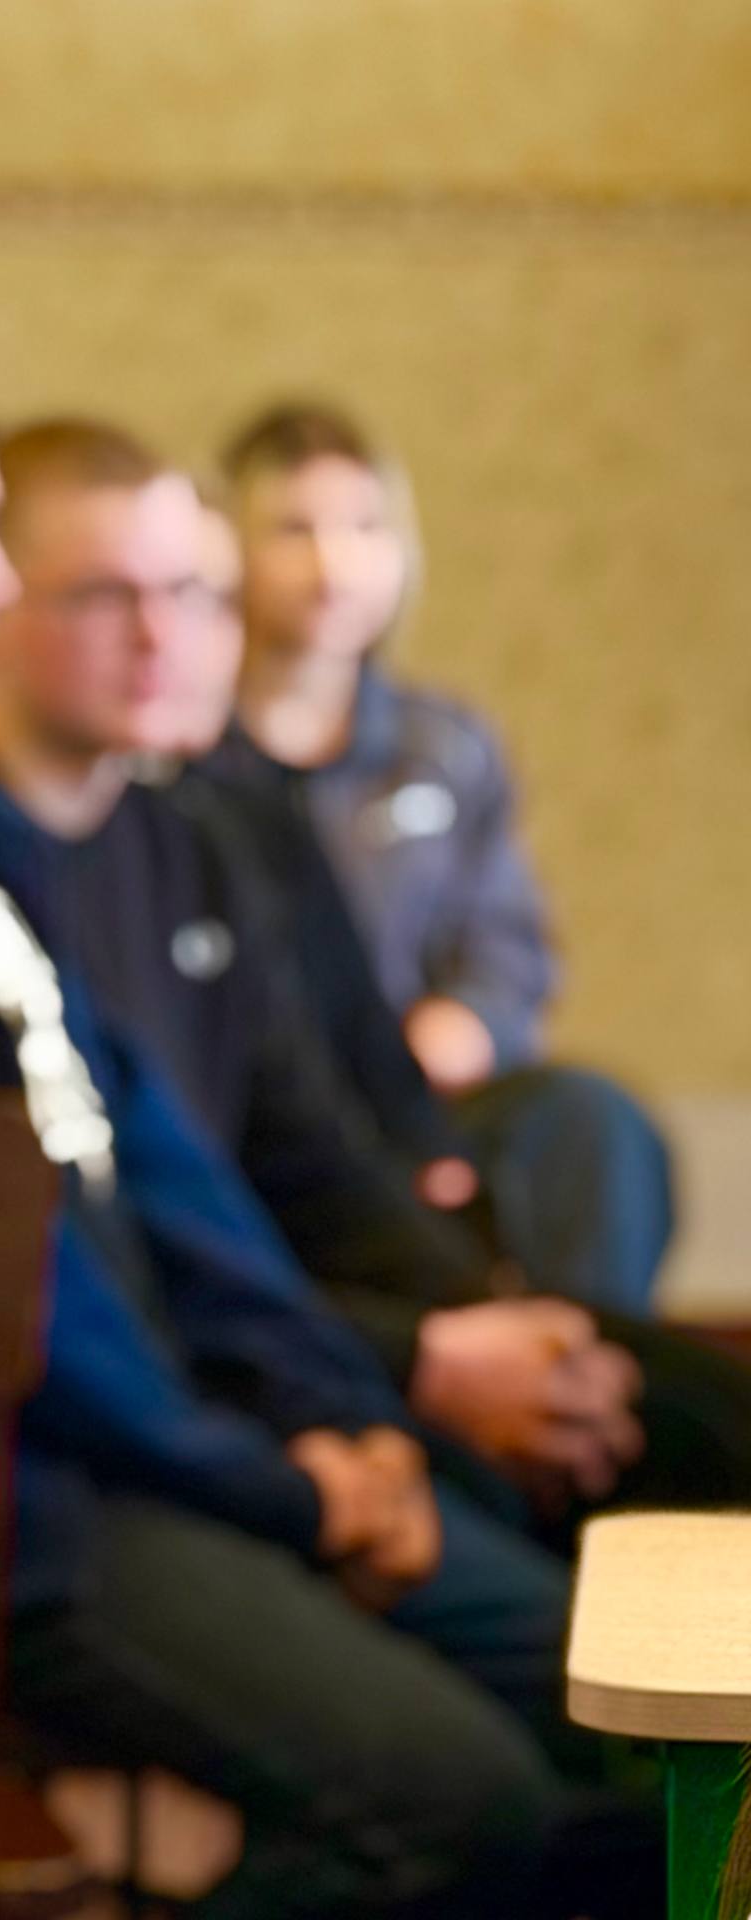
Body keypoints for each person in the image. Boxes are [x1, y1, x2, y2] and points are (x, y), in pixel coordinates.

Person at [0, 344, 657, 1919]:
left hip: (136, 1450)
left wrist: (341, 1421)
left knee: (611, 1700)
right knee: (479, 1816)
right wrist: (285, 1489)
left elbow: (145, 1155)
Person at [0, 415, 751, 1537]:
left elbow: (321, 1133)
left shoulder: (227, 824)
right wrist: (401, 1378)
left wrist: (497, 1327)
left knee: (671, 1363)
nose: (164, 636)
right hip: (203, 1361)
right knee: (548, 1553)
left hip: (320, 1280)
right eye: (106, 597)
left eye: (190, 596)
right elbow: (143, 1243)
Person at [210, 401, 673, 1315]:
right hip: (258, 1111)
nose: (334, 565)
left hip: (422, 1097)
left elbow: (508, 949)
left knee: (590, 1121)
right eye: (294, 530)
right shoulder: (183, 755)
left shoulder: (444, 747)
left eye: (364, 528)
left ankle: (582, 1366)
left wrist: (462, 1027)